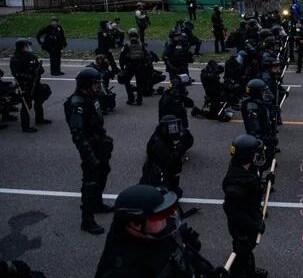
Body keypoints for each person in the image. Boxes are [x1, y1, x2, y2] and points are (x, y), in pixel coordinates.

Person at [95, 184, 227, 278]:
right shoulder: (122, 270)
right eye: (158, 216)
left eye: (167, 213)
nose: (165, 219)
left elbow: (182, 252)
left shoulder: (159, 232)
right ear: (135, 224)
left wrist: (206, 270)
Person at [64, 68, 114, 234]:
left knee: (103, 173)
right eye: (95, 83)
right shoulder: (77, 103)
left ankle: (97, 204)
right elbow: (78, 133)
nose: (98, 86)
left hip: (100, 144)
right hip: (90, 148)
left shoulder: (92, 98)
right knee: (90, 181)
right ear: (86, 85)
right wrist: (89, 156)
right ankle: (87, 220)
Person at [222, 134, 273, 278]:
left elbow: (253, 190)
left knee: (248, 251)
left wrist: (264, 182)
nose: (259, 155)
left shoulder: (245, 169)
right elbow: (235, 214)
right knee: (241, 254)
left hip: (251, 217)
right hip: (242, 229)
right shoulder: (235, 188)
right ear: (247, 156)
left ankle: (250, 272)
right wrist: (254, 225)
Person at [10, 38, 51, 133]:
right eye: (26, 46)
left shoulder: (31, 56)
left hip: (35, 83)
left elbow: (40, 68)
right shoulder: (16, 59)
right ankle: (25, 126)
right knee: (26, 105)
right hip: (25, 85)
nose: (28, 48)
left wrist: (39, 71)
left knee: (39, 100)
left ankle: (40, 119)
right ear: (21, 47)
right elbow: (17, 74)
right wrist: (31, 76)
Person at [241, 79, 277, 170]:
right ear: (256, 93)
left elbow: (265, 115)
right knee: (260, 166)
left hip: (266, 134)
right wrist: (269, 140)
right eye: (262, 91)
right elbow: (255, 133)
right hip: (260, 141)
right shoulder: (252, 108)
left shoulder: (259, 103)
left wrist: (273, 111)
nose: (265, 93)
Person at [119, 29, 147, 106]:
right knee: (139, 83)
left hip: (129, 66)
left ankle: (131, 98)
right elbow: (145, 55)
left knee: (126, 81)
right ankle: (139, 100)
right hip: (139, 66)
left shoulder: (126, 45)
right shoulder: (141, 44)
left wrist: (122, 68)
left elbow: (122, 57)